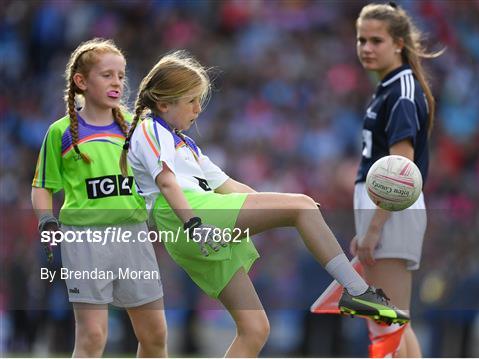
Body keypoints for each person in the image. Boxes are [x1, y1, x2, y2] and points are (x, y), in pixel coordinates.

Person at [119, 50, 409, 358]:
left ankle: (352, 288)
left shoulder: (186, 145)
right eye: (191, 100)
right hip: (189, 217)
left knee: (255, 329)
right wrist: (195, 223)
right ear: (163, 104)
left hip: (198, 222)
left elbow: (232, 188)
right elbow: (166, 183)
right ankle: (357, 291)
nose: (198, 109)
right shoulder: (150, 129)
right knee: (301, 207)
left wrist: (274, 211)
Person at [31, 38, 167, 357]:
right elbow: (42, 186)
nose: (117, 82)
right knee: (92, 336)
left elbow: (163, 181)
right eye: (107, 75)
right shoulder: (60, 132)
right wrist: (46, 220)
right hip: (83, 240)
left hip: (133, 236)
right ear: (81, 82)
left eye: (121, 75)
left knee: (155, 334)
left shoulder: (139, 130)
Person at [350, 2, 442, 358]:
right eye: (361, 40)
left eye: (377, 40)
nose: (367, 48)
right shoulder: (387, 86)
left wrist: (373, 229)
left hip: (391, 211)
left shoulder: (402, 89)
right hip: (380, 211)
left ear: (399, 43)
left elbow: (400, 172)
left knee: (388, 320)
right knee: (388, 321)